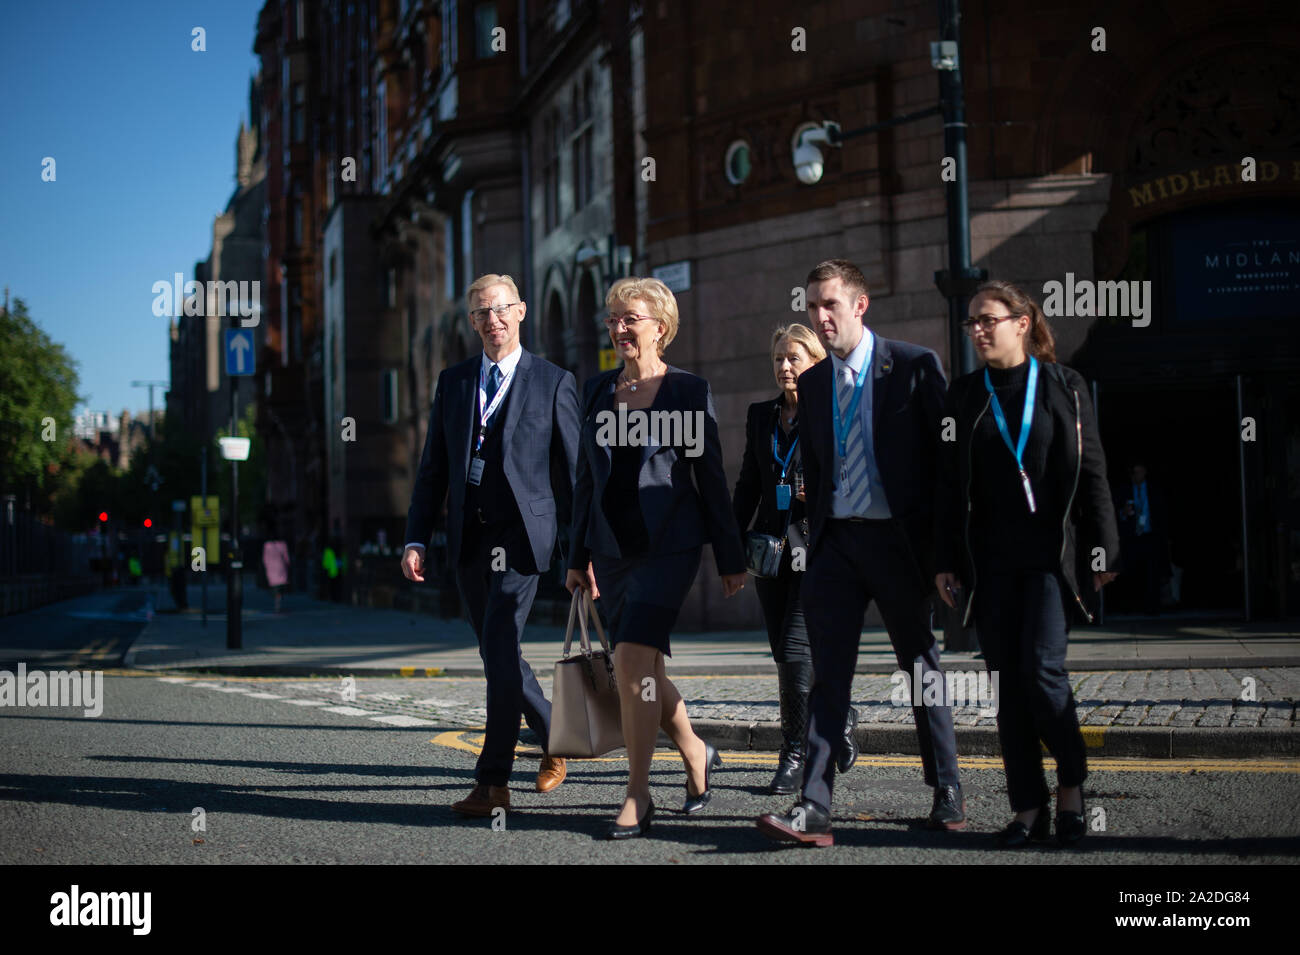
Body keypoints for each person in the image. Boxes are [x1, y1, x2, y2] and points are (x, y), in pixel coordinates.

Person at [756, 259, 963, 847]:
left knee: (921, 666)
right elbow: (817, 470)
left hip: (897, 545)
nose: (820, 317)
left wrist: (944, 556)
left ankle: (947, 790)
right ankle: (814, 805)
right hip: (837, 547)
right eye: (813, 306)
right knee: (828, 678)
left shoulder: (914, 367)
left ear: (859, 305)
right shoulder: (816, 382)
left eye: (830, 305)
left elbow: (946, 472)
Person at [934, 280, 1120, 848]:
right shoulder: (965, 395)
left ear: (1021, 322)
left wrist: (1103, 547)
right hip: (989, 563)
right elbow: (948, 486)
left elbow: (1091, 473)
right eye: (971, 322)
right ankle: (1027, 807)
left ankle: (1071, 786)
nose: (978, 330)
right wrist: (945, 560)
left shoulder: (1064, 385)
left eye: (988, 319)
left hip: (1047, 561)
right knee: (1007, 689)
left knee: (1042, 674)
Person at [565, 276, 747, 839]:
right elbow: (584, 482)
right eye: (614, 319)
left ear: (660, 328)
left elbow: (710, 476)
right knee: (641, 669)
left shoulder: (688, 391)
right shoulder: (596, 392)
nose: (619, 328)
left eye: (631, 319)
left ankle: (637, 795)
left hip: (670, 546)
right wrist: (577, 555)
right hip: (612, 550)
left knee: (630, 663)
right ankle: (696, 751)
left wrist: (730, 555)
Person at [402, 273, 581, 816]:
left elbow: (575, 475)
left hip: (524, 538)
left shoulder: (554, 381)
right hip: (469, 540)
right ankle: (556, 736)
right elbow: (434, 467)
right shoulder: (454, 382)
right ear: (473, 321)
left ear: (521, 312)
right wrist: (416, 535)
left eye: (502, 309)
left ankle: (492, 781)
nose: (493, 319)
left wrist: (583, 553)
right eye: (482, 312)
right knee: (498, 653)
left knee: (500, 645)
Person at [733, 324, 858, 794]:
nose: (785, 367)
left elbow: (856, 476)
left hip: (818, 547)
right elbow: (749, 482)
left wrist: (823, 491)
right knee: (786, 654)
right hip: (771, 551)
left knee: (793, 650)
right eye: (779, 359)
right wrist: (730, 544)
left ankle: (795, 752)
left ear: (817, 363)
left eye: (795, 358)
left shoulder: (833, 412)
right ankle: (842, 714)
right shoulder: (761, 415)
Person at [1114, 462, 1168, 614]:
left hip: (1150, 535)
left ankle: (1153, 606)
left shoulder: (1154, 490)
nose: (1135, 476)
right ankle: (1134, 604)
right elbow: (1115, 513)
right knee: (1133, 571)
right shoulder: (1123, 491)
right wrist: (1124, 513)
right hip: (1132, 536)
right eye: (1133, 473)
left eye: (1138, 472)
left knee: (1153, 572)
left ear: (1144, 472)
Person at [262, 529, 290, 614]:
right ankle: (278, 603)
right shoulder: (282, 544)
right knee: (280, 588)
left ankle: (277, 603)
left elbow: (264, 558)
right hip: (280, 568)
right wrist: (288, 565)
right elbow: (286, 557)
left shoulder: (267, 545)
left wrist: (266, 567)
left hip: (271, 569)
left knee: (275, 587)